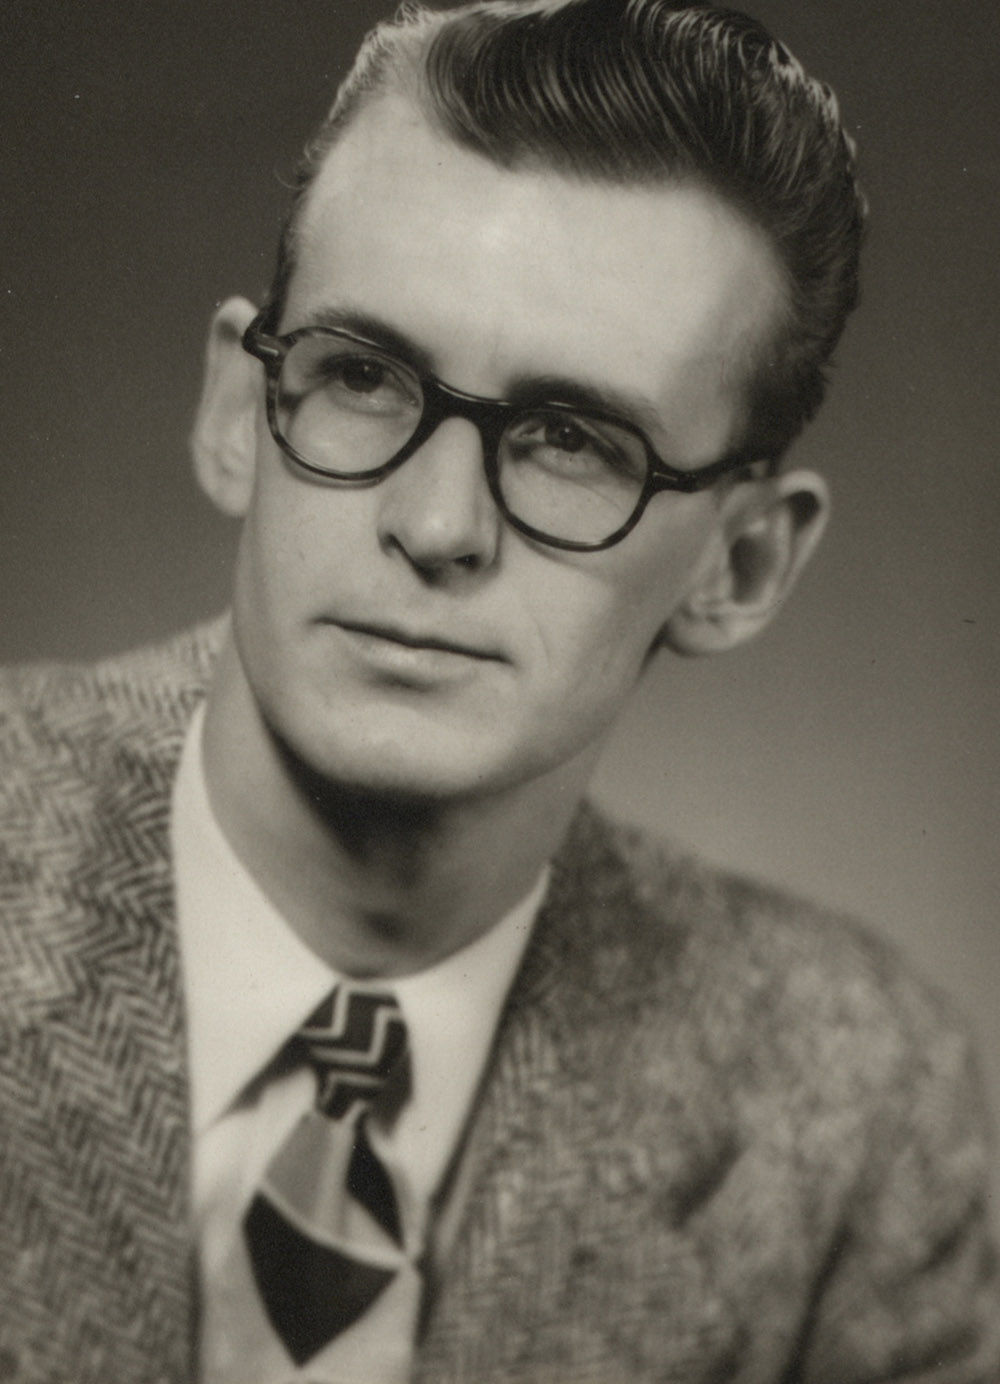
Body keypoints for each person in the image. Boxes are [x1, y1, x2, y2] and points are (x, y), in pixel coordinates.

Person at [1, 0, 996, 1379]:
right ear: (241, 413)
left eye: (572, 441)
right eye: (363, 376)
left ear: (742, 565)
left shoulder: (860, 1106)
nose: (435, 523)